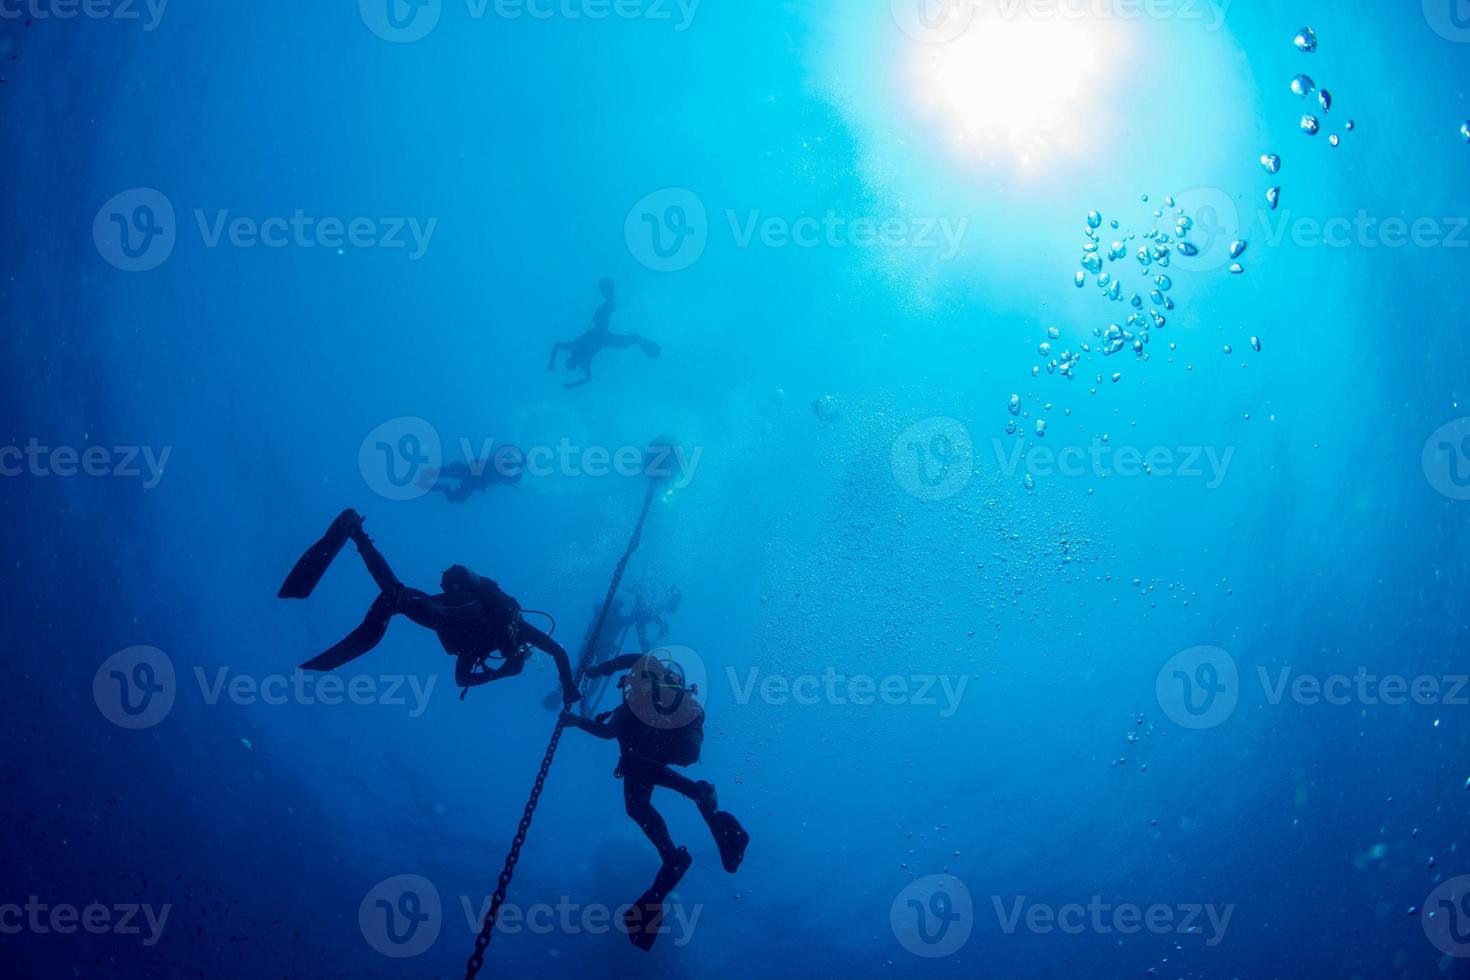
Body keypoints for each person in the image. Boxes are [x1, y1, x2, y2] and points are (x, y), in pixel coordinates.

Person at [277, 509, 579, 704]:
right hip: (459, 610)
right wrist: (566, 688)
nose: (514, 655)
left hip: (443, 615)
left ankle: (357, 533)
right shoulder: (516, 628)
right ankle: (378, 568)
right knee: (403, 599)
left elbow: (462, 678)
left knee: (397, 594)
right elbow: (559, 651)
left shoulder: (478, 651)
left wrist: (504, 673)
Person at [562, 652, 748, 951]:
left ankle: (695, 809)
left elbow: (608, 728)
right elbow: (609, 729)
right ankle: (680, 846)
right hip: (656, 758)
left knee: (637, 782)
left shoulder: (637, 702)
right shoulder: (636, 708)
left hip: (651, 757)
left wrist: (598, 672)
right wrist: (579, 716)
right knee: (635, 806)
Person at [547, 279, 661, 390]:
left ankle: (641, 341)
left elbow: (556, 346)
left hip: (601, 333)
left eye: (571, 361)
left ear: (570, 359)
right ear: (575, 365)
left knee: (606, 310)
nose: (574, 361)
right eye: (573, 364)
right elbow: (588, 378)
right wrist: (572, 385)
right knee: (626, 336)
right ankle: (643, 342)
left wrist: (552, 362)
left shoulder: (574, 349)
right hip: (604, 337)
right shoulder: (584, 361)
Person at [424, 455, 522, 504]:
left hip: (472, 481)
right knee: (448, 472)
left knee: (457, 498)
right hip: (471, 474)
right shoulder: (502, 469)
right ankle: (429, 474)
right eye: (512, 479)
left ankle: (442, 487)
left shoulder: (503, 476)